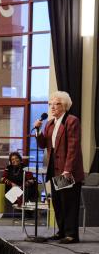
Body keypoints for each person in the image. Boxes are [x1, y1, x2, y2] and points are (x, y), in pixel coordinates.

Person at [35, 91, 85, 244]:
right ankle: (61, 232)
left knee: (68, 202)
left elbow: (73, 148)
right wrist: (37, 130)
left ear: (64, 105)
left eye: (56, 104)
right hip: (53, 169)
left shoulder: (71, 121)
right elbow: (43, 144)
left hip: (66, 170)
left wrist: (68, 169)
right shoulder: (50, 123)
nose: (52, 107)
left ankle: (71, 235)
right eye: (50, 104)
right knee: (57, 202)